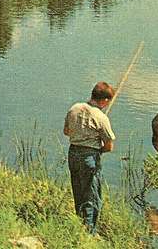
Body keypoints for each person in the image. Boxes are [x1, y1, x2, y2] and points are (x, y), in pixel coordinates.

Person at [63, 81, 116, 234]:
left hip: (73, 154)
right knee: (91, 196)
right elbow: (108, 146)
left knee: (78, 193)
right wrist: (96, 146)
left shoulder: (74, 108)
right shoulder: (101, 117)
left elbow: (66, 131)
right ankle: (89, 233)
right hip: (89, 158)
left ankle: (79, 226)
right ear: (105, 100)